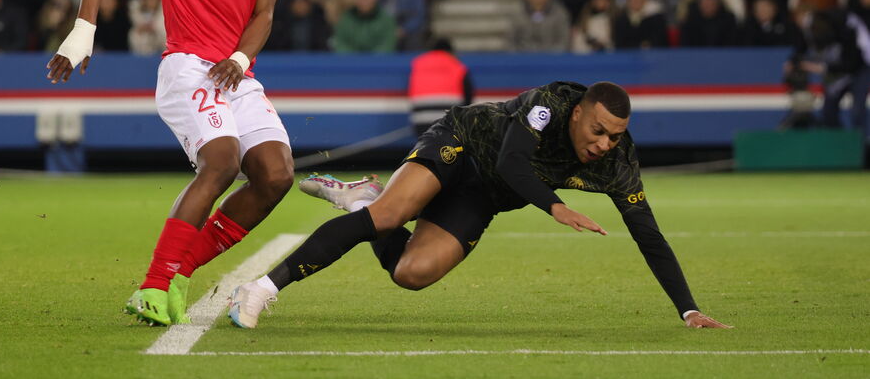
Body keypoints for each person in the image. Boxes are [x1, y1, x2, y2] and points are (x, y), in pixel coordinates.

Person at [45, 0, 310, 327]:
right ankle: (153, 285)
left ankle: (180, 267)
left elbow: (265, 13)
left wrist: (239, 55)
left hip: (235, 71)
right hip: (188, 67)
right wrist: (83, 30)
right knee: (223, 162)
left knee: (276, 175)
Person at [228, 82, 730, 331]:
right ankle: (261, 288)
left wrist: (688, 308)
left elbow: (649, 233)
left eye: (614, 136)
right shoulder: (549, 103)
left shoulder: (617, 162)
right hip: (460, 145)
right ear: (577, 114)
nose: (604, 144)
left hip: (484, 197)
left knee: (411, 273)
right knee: (389, 218)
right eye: (597, 131)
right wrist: (555, 207)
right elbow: (514, 161)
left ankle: (362, 196)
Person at [407, 38, 473, 136]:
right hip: (449, 123)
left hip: (421, 122)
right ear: (450, 51)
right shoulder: (457, 65)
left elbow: (410, 91)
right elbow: (468, 95)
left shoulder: (418, 65)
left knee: (426, 149)